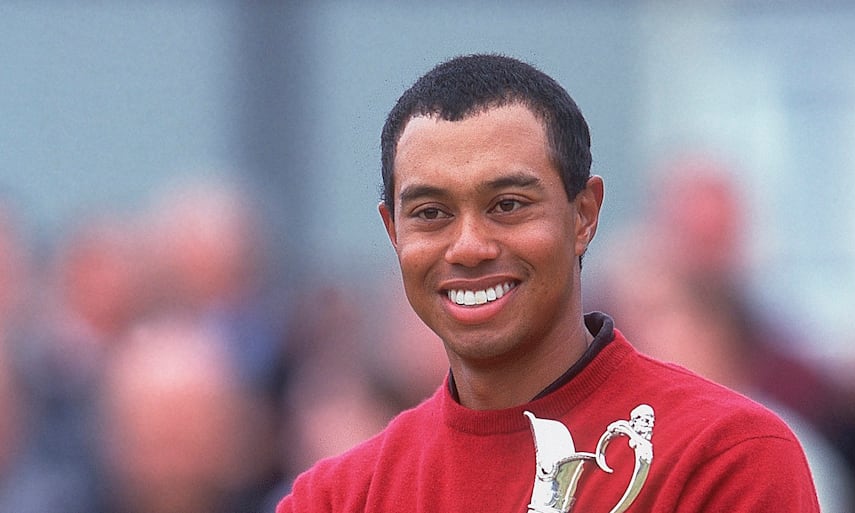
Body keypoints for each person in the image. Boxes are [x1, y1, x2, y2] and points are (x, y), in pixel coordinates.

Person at [277, 54, 819, 512]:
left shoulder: (724, 455)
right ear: (393, 232)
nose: (469, 247)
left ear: (584, 215)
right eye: (431, 213)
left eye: (508, 205)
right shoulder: (336, 497)